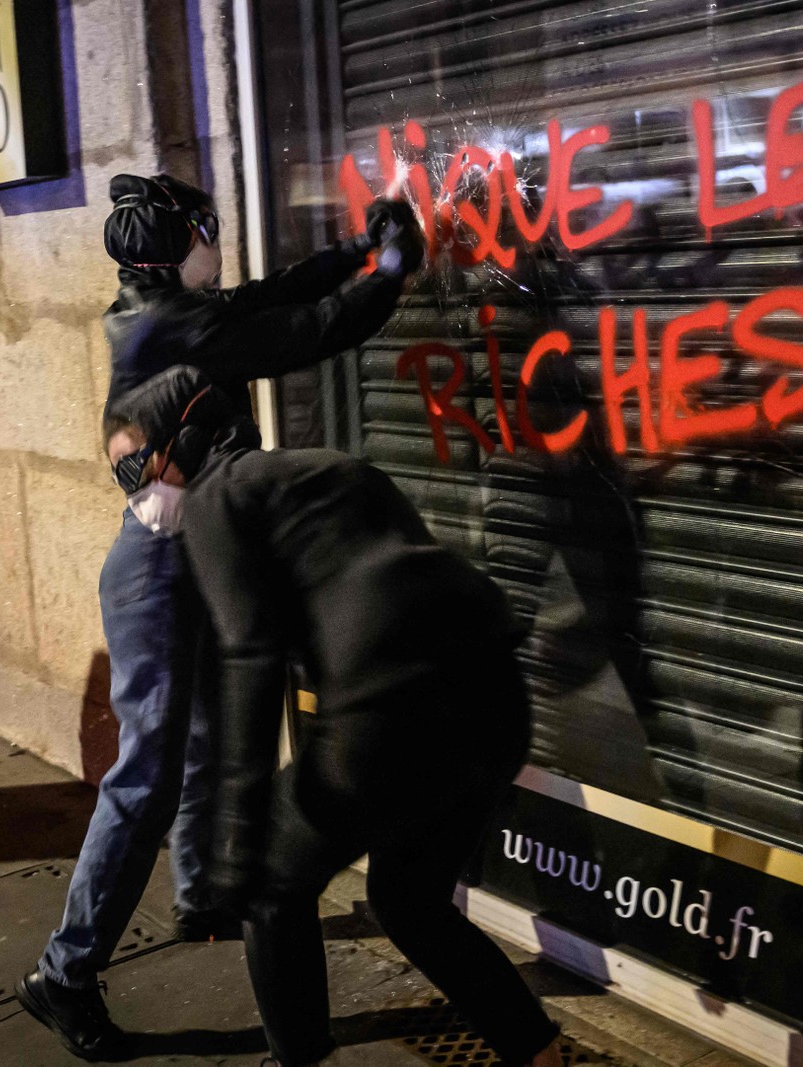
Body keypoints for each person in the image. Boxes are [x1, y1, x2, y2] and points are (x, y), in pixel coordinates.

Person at [16, 172, 426, 1060]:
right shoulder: (173, 321)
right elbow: (312, 327)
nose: (219, 237)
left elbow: (279, 291)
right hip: (159, 568)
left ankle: (202, 893)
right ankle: (64, 971)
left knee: (205, 738)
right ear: (175, 240)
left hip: (193, 551)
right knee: (147, 773)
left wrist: (357, 251)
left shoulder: (168, 304)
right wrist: (391, 270)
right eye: (207, 226)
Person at [104, 365, 564, 1067]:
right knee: (409, 899)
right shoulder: (333, 466)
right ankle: (535, 1048)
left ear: (186, 439)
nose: (137, 487)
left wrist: (233, 848)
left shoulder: (214, 500)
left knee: (268, 884)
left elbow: (250, 663)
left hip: (391, 709)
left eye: (138, 463)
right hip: (494, 700)